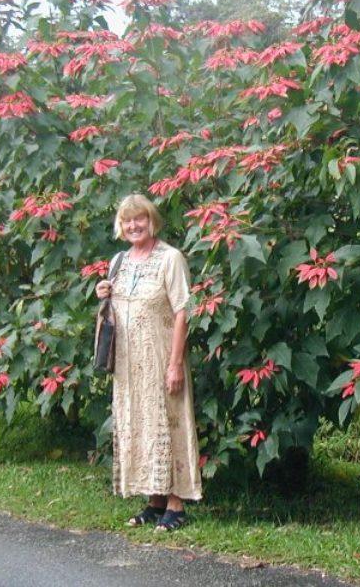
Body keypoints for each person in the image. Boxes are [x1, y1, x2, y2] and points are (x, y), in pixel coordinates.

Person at [95, 193, 202, 531]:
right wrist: (103, 292)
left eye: (139, 219)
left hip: (160, 358)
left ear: (152, 221)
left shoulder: (171, 258)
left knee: (167, 424)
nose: (133, 225)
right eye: (127, 221)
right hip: (128, 364)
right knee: (138, 425)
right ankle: (155, 502)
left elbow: (183, 311)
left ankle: (176, 503)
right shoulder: (119, 261)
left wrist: (174, 364)